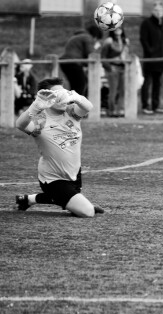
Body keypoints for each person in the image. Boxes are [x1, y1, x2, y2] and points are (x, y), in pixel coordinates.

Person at [14, 77, 104, 218]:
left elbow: (88, 107)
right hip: (52, 178)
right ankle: (81, 204)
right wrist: (36, 105)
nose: (63, 98)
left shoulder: (71, 113)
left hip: (74, 174)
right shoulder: (40, 121)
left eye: (65, 93)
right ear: (47, 99)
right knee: (87, 212)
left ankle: (27, 200)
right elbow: (20, 124)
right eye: (57, 95)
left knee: (70, 200)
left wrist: (75, 96)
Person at [140, 2, 163, 114]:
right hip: (150, 59)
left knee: (157, 82)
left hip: (161, 59)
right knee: (147, 82)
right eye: (156, 10)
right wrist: (150, 51)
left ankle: (155, 105)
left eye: (160, 11)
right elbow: (144, 40)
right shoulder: (146, 23)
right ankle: (145, 105)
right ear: (152, 11)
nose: (158, 12)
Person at [60, 23, 101, 96]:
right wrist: (95, 47)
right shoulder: (87, 37)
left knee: (75, 85)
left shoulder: (78, 36)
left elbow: (83, 55)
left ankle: (72, 103)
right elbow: (91, 54)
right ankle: (76, 104)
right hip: (73, 62)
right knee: (81, 84)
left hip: (65, 61)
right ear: (95, 36)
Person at [100, 25, 129, 117]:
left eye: (120, 28)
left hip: (123, 67)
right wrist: (108, 67)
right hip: (113, 67)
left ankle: (120, 109)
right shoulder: (109, 41)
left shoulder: (125, 41)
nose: (118, 30)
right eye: (116, 28)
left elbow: (127, 54)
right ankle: (111, 110)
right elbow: (103, 57)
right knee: (113, 90)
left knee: (123, 90)